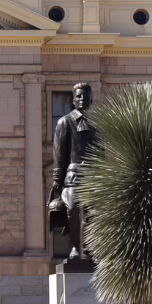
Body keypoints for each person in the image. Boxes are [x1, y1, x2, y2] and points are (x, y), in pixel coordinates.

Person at [48, 82, 100, 261]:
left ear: (91, 99)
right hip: (72, 176)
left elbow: (101, 152)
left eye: (85, 96)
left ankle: (87, 248)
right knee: (72, 209)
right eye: (78, 96)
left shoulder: (97, 124)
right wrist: (57, 178)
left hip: (91, 176)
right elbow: (59, 152)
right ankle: (75, 247)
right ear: (73, 99)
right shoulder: (65, 122)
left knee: (90, 213)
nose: (82, 99)